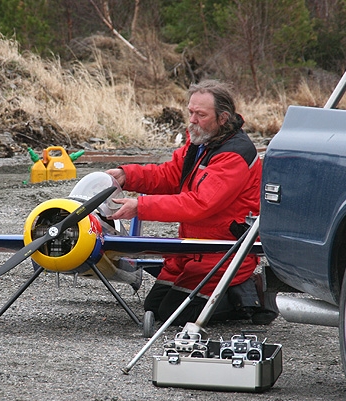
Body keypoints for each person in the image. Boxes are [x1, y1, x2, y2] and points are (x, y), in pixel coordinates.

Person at [106, 79, 277, 326]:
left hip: (222, 251)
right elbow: (172, 175)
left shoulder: (234, 154)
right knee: (154, 307)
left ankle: (251, 294)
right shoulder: (201, 141)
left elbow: (199, 204)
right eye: (191, 112)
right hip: (192, 249)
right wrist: (128, 176)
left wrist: (140, 207)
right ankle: (232, 292)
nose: (193, 120)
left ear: (222, 118)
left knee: (175, 315)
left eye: (201, 114)